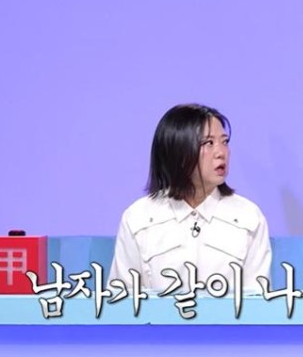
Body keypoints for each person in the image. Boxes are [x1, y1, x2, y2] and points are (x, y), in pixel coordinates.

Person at [108, 103, 271, 294]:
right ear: (178, 151)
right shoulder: (138, 218)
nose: (221, 153)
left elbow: (257, 301)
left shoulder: (248, 217)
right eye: (208, 143)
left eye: (225, 142)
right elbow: (121, 298)